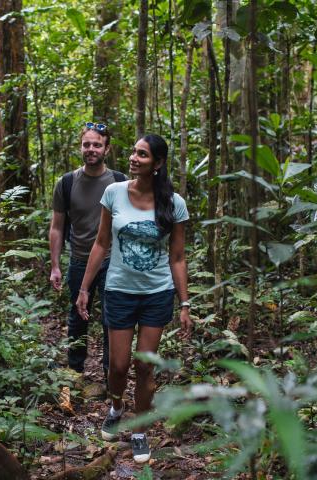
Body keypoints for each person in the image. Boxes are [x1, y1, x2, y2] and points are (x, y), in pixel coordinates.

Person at [75, 133, 191, 463]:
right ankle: (116, 407)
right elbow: (101, 243)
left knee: (144, 366)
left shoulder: (174, 203)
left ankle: (139, 432)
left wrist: (185, 303)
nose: (133, 158)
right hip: (119, 291)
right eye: (133, 152)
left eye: (142, 154)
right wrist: (84, 288)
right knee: (118, 365)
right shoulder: (113, 193)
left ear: (157, 163)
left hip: (157, 294)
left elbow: (178, 257)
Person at [49, 122, 126, 383]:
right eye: (87, 144)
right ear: (80, 147)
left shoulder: (120, 182)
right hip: (80, 259)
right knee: (77, 316)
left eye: (97, 145)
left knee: (111, 317)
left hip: (113, 261)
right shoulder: (67, 182)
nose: (91, 149)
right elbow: (57, 227)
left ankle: (110, 375)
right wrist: (55, 266)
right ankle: (75, 372)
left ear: (107, 149)